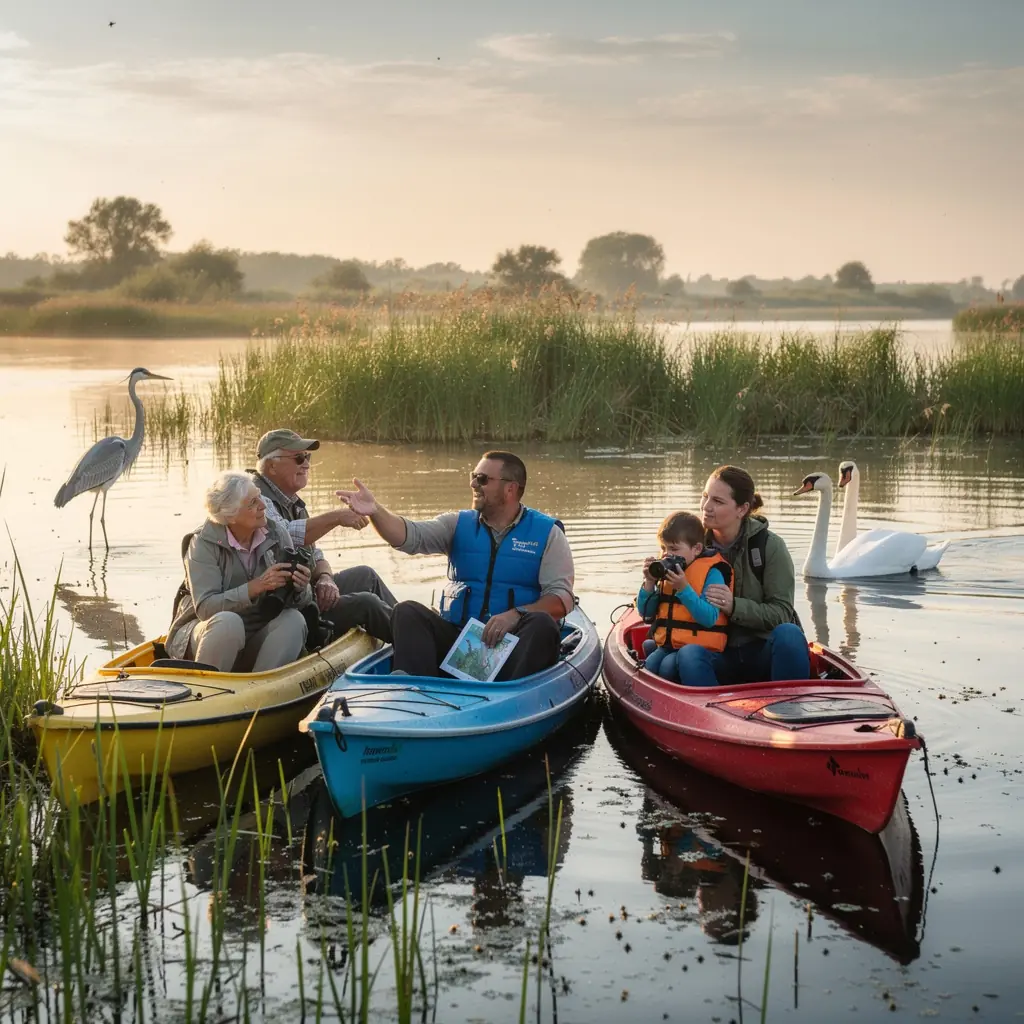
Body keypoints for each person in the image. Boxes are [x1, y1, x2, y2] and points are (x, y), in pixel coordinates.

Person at [336, 451, 574, 679]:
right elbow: (409, 536)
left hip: (515, 650)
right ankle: (415, 690)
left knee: (542, 625)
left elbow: (561, 598)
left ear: (510, 488)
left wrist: (516, 615)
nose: (473, 484)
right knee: (406, 611)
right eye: (473, 477)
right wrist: (376, 511)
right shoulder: (457, 524)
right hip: (461, 644)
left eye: (482, 479)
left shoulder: (547, 533)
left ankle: (509, 697)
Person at [252, 428, 395, 642]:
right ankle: (425, 646)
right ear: (271, 465)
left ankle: (415, 624)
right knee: (367, 604)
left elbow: (314, 554)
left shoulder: (292, 502)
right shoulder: (256, 498)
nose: (307, 464)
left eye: (307, 457)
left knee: (366, 575)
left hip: (305, 591)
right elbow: (285, 536)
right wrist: (336, 517)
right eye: (299, 458)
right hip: (287, 607)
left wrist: (326, 578)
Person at [674, 465, 809, 686]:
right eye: (705, 497)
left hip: (762, 655)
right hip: (715, 655)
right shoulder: (690, 544)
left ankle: (790, 711)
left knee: (790, 634)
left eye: (718, 502)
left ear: (742, 509)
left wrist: (734, 606)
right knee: (689, 655)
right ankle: (714, 716)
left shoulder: (771, 547)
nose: (706, 507)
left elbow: (782, 613)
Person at [165, 471, 314, 672]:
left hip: (255, 633)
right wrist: (256, 587)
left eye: (260, 496)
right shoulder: (201, 543)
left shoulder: (277, 533)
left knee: (293, 620)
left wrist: (301, 588)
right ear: (230, 515)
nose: (263, 505)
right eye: (252, 502)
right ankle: (208, 692)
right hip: (207, 635)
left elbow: (300, 602)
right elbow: (205, 609)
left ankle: (260, 690)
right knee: (228, 623)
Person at [636, 511, 732, 683]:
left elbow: (709, 618)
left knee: (667, 666)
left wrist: (683, 589)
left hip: (702, 652)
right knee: (651, 665)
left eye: (673, 549)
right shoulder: (666, 571)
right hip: (669, 645)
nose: (666, 555)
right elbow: (647, 615)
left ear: (696, 549)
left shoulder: (713, 572)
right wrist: (649, 583)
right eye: (663, 548)